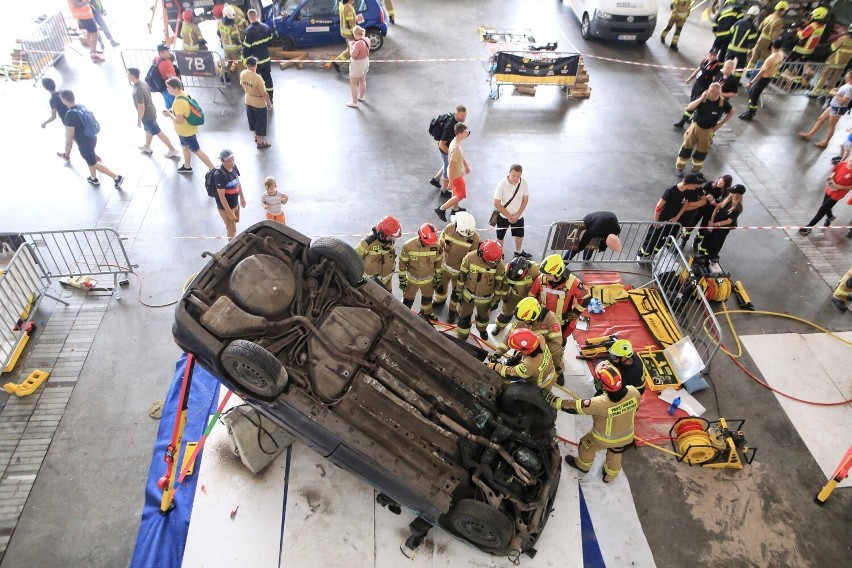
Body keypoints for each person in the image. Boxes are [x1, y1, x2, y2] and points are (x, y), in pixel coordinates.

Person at [553, 361, 641, 483]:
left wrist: (553, 400)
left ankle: (583, 466)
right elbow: (635, 407)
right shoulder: (633, 392)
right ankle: (609, 477)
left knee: (586, 445)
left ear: (603, 385)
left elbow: (574, 407)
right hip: (627, 436)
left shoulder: (599, 403)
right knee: (615, 452)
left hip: (604, 439)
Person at [57, 90, 123, 189]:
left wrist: (67, 149)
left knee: (93, 162)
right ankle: (93, 178)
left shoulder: (70, 115)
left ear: (63, 100)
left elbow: (70, 135)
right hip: (92, 137)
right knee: (90, 158)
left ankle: (116, 177)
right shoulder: (81, 107)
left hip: (84, 142)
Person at [494, 296, 564, 386]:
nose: (522, 323)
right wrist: (498, 353)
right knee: (523, 365)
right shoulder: (522, 318)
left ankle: (559, 371)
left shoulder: (551, 320)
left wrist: (536, 355)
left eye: (525, 321)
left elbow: (556, 344)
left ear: (534, 316)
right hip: (527, 347)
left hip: (544, 348)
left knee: (556, 354)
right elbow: (510, 336)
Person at [637, 173, 707, 259]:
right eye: (696, 186)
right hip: (661, 220)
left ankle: (653, 254)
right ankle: (641, 255)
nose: (696, 188)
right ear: (691, 184)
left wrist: (677, 216)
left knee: (662, 239)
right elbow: (658, 207)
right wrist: (656, 221)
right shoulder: (671, 191)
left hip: (672, 221)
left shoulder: (687, 191)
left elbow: (685, 204)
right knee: (652, 238)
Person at [675, 82, 734, 177]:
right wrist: (701, 98)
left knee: (701, 152)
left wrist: (721, 123)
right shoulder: (702, 98)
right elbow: (690, 107)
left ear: (719, 93)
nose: (712, 94)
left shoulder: (722, 103)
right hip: (695, 126)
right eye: (710, 91)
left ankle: (695, 170)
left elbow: (731, 111)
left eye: (715, 92)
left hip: (708, 130)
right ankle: (680, 167)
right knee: (686, 147)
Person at [529, 254, 591, 339]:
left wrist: (575, 313)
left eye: (548, 274)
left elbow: (586, 299)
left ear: (557, 273)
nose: (545, 276)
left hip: (561, 322)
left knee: (558, 342)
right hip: (541, 319)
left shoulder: (573, 283)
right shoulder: (541, 279)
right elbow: (532, 296)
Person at [161, 78, 215, 174]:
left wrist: (169, 115)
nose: (167, 89)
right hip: (188, 129)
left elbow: (179, 120)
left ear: (175, 88)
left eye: (169, 87)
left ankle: (213, 168)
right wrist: (171, 111)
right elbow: (181, 111)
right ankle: (187, 166)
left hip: (185, 132)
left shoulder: (178, 102)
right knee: (185, 148)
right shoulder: (183, 95)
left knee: (196, 150)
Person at [433, 212, 480, 323]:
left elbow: (472, 257)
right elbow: (440, 245)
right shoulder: (449, 229)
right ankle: (440, 299)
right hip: (445, 267)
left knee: (457, 293)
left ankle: (453, 311)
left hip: (460, 272)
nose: (465, 237)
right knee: (440, 286)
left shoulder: (475, 237)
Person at [455, 240, 506, 340]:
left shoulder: (499, 265)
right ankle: (462, 335)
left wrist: (496, 300)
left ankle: (482, 330)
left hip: (486, 299)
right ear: (481, 253)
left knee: (483, 319)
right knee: (464, 317)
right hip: (468, 296)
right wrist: (458, 291)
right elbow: (462, 276)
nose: (491, 265)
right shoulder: (470, 257)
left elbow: (499, 285)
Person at [127, 68, 179, 158]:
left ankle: (172, 149)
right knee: (148, 130)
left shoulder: (138, 89)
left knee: (158, 131)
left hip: (147, 115)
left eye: (128, 74)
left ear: (132, 75)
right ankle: (147, 146)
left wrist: (139, 120)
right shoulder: (143, 83)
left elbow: (141, 107)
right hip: (151, 110)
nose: (127, 75)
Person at [486, 328, 557, 390]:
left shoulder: (528, 365)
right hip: (551, 370)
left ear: (526, 351)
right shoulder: (539, 338)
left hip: (542, 383)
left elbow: (511, 372)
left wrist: (495, 366)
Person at [398, 223, 443, 317]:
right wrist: (402, 280)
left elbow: (438, 263)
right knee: (407, 301)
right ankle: (403, 316)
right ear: (420, 236)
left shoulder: (437, 247)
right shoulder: (408, 246)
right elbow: (402, 264)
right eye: (427, 242)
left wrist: (438, 278)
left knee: (427, 300)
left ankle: (426, 315)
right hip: (411, 281)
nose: (429, 244)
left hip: (428, 282)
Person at [799, 72, 852, 149]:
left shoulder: (850, 89)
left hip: (838, 108)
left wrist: (835, 93)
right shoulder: (847, 84)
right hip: (834, 105)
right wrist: (837, 90)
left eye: (847, 76)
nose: (845, 76)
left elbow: (844, 101)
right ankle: (809, 135)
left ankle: (825, 142)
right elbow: (842, 92)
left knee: (831, 126)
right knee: (820, 119)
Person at [798, 160, 852, 235]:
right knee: (825, 206)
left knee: (822, 209)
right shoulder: (842, 164)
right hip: (831, 188)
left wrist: (839, 186)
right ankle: (830, 217)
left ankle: (809, 227)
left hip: (838, 193)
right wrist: (830, 177)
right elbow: (835, 172)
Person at [492, 256, 541, 335]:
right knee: (506, 311)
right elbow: (505, 285)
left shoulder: (534, 269)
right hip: (515, 295)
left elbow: (540, 283)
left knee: (529, 317)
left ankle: (527, 333)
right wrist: (504, 298)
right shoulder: (507, 270)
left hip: (530, 298)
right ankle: (499, 326)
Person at [673, 49, 721, 128]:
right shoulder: (704, 61)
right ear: (708, 54)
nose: (712, 57)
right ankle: (692, 117)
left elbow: (714, 81)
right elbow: (698, 70)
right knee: (692, 100)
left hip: (704, 88)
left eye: (714, 55)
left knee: (694, 103)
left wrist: (709, 91)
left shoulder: (716, 66)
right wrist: (690, 78)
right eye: (711, 54)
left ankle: (682, 121)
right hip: (697, 84)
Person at [740, 40, 786, 121]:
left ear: (772, 47)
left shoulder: (770, 58)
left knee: (754, 95)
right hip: (769, 77)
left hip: (764, 78)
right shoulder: (781, 54)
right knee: (752, 93)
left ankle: (750, 113)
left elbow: (761, 73)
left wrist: (751, 82)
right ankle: (751, 111)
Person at [435, 123, 471, 222]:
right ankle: (441, 209)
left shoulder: (456, 141)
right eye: (465, 132)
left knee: (456, 193)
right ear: (459, 133)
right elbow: (451, 166)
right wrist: (450, 182)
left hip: (457, 172)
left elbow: (460, 156)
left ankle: (455, 209)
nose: (467, 134)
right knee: (461, 194)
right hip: (456, 175)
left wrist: (466, 165)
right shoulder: (455, 147)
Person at [493, 164, 530, 258]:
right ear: (509, 173)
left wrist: (517, 215)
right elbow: (496, 203)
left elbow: (525, 200)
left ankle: (518, 251)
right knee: (500, 236)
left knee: (520, 235)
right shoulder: (502, 184)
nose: (516, 178)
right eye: (513, 175)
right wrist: (509, 216)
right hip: (503, 216)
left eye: (518, 176)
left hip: (518, 216)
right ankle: (500, 254)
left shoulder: (524, 182)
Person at [355, 216, 401, 291]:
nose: (394, 239)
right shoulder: (367, 242)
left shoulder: (390, 240)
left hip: (387, 283)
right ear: (382, 235)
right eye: (391, 236)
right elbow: (354, 259)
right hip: (371, 285)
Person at [689, 174, 732, 253]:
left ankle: (696, 242)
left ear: (726, 185)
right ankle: (684, 240)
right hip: (700, 208)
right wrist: (706, 198)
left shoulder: (726, 193)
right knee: (691, 223)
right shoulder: (710, 184)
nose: (719, 183)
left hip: (710, 213)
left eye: (722, 183)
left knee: (703, 230)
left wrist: (713, 201)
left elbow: (721, 206)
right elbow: (701, 195)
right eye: (719, 181)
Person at [702, 184, 746, 261]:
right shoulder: (727, 199)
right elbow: (717, 207)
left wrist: (715, 225)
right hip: (715, 222)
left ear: (737, 195)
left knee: (715, 242)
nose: (730, 193)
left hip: (722, 229)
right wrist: (712, 220)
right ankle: (702, 254)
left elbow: (729, 221)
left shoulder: (737, 207)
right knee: (707, 238)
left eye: (733, 192)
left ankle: (710, 257)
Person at [429, 106, 466, 194]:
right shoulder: (450, 127)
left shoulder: (456, 122)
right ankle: (444, 191)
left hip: (449, 148)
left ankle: (435, 180)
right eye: (462, 116)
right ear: (456, 114)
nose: (464, 118)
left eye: (465, 116)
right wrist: (450, 155)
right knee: (447, 168)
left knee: (446, 163)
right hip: (446, 149)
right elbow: (442, 144)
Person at [809, 25, 852, 99]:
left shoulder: (844, 38)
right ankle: (828, 94)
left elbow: (832, 48)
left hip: (833, 61)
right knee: (834, 79)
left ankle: (815, 93)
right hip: (843, 64)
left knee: (824, 76)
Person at [239, 56, 273, 149]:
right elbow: (264, 94)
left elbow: (242, 85)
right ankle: (260, 142)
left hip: (248, 99)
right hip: (259, 103)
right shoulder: (258, 78)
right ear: (255, 65)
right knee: (260, 123)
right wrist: (269, 104)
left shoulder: (242, 73)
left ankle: (256, 137)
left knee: (253, 120)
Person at [745, 2, 787, 75]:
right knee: (764, 60)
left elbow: (760, 27)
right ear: (782, 10)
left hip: (760, 39)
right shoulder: (779, 21)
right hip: (767, 42)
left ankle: (748, 73)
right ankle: (757, 76)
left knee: (754, 57)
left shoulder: (769, 16)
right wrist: (773, 45)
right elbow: (775, 35)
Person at [213, 149, 246, 240]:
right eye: (229, 160)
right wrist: (229, 212)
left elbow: (237, 183)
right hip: (226, 207)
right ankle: (232, 245)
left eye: (233, 159)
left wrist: (242, 198)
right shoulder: (219, 175)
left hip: (234, 203)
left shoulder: (234, 167)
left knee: (233, 225)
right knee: (231, 230)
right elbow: (221, 196)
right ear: (222, 161)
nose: (232, 162)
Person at [242, 9, 273, 101]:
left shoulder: (249, 31)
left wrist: (245, 58)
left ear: (248, 17)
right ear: (257, 15)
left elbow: (246, 49)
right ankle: (270, 99)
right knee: (267, 79)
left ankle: (258, 98)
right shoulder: (266, 27)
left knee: (255, 80)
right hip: (266, 59)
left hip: (255, 62)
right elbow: (270, 41)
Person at [726, 6, 760, 80]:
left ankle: (723, 79)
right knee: (739, 68)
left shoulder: (738, 22)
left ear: (748, 13)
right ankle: (735, 83)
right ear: (756, 16)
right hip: (741, 51)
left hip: (731, 48)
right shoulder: (753, 28)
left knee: (727, 65)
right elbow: (752, 42)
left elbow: (730, 33)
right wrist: (751, 49)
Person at [326, 0, 357, 73]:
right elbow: (350, 23)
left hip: (344, 31)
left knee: (350, 49)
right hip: (349, 33)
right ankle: (352, 67)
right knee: (353, 50)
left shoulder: (342, 4)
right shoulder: (348, 7)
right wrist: (354, 34)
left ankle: (337, 62)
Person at [346, 26, 371, 108]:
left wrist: (351, 46)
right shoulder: (367, 39)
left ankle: (354, 102)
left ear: (355, 34)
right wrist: (354, 45)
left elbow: (353, 55)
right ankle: (361, 97)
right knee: (362, 80)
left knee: (353, 83)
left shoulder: (358, 43)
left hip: (357, 64)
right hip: (366, 61)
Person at [219, 5, 244, 81]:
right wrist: (241, 45)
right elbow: (235, 38)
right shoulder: (233, 27)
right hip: (234, 49)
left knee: (227, 62)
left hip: (226, 48)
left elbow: (218, 32)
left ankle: (223, 76)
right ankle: (243, 78)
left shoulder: (220, 23)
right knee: (240, 64)